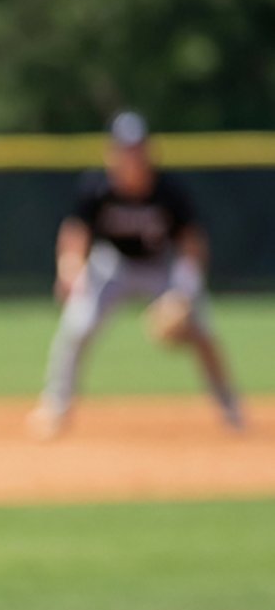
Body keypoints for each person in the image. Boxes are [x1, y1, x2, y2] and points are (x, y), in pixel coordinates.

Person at [29, 111, 243, 439]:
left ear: (148, 151)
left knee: (203, 330)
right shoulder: (96, 186)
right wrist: (70, 267)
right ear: (112, 152)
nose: (131, 155)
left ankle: (230, 406)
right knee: (77, 327)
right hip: (112, 266)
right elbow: (76, 231)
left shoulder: (168, 189)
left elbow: (191, 243)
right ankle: (56, 407)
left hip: (162, 267)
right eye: (124, 148)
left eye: (137, 148)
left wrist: (185, 290)